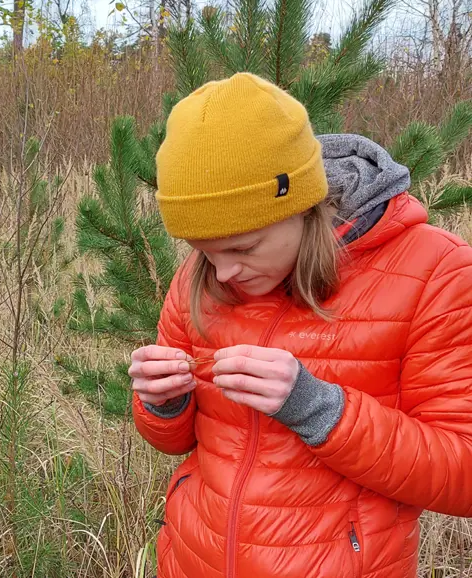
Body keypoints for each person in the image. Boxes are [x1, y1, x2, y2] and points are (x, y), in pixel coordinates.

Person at [130, 72, 472, 578]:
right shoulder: (202, 275)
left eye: (244, 248)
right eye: (202, 251)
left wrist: (320, 410)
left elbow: (462, 473)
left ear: (303, 206)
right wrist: (164, 402)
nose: (221, 273)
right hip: (190, 561)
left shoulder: (434, 272)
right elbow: (177, 442)